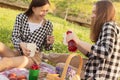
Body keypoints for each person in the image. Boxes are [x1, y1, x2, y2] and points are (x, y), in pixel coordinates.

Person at [65, 0, 120, 79]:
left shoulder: (108, 26)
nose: (92, 16)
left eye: (95, 12)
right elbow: (94, 55)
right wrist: (77, 44)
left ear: (103, 13)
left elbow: (106, 52)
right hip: (95, 75)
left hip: (99, 77)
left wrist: (78, 41)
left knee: (61, 67)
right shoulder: (109, 27)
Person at [0, 0, 54, 72]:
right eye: (42, 10)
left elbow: (47, 48)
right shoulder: (21, 18)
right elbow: (14, 37)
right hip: (17, 53)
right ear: (33, 8)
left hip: (32, 58)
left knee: (7, 61)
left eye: (46, 11)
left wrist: (49, 43)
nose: (44, 13)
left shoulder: (48, 25)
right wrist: (21, 44)